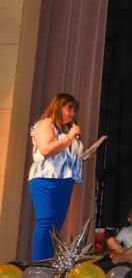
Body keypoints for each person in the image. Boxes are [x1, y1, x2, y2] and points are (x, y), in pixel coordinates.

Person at [28, 93, 88, 260]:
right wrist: (70, 138)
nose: (72, 113)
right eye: (69, 109)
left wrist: (84, 155)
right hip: (46, 178)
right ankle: (39, 262)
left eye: (74, 111)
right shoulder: (45, 124)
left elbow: (66, 155)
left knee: (55, 226)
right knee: (46, 221)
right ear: (58, 106)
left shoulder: (67, 130)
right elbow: (46, 150)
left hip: (65, 181)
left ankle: (47, 261)